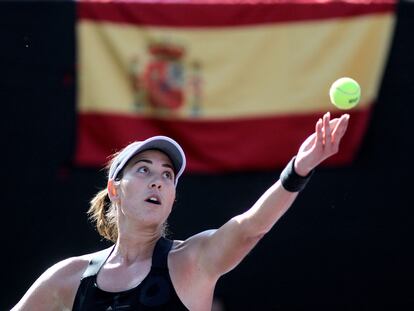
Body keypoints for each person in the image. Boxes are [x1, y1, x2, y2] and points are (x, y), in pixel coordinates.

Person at [12, 112, 350, 311]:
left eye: (167, 175)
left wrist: (298, 171)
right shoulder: (68, 277)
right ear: (114, 188)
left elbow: (250, 227)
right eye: (143, 169)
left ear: (173, 197)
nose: (157, 181)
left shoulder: (193, 260)